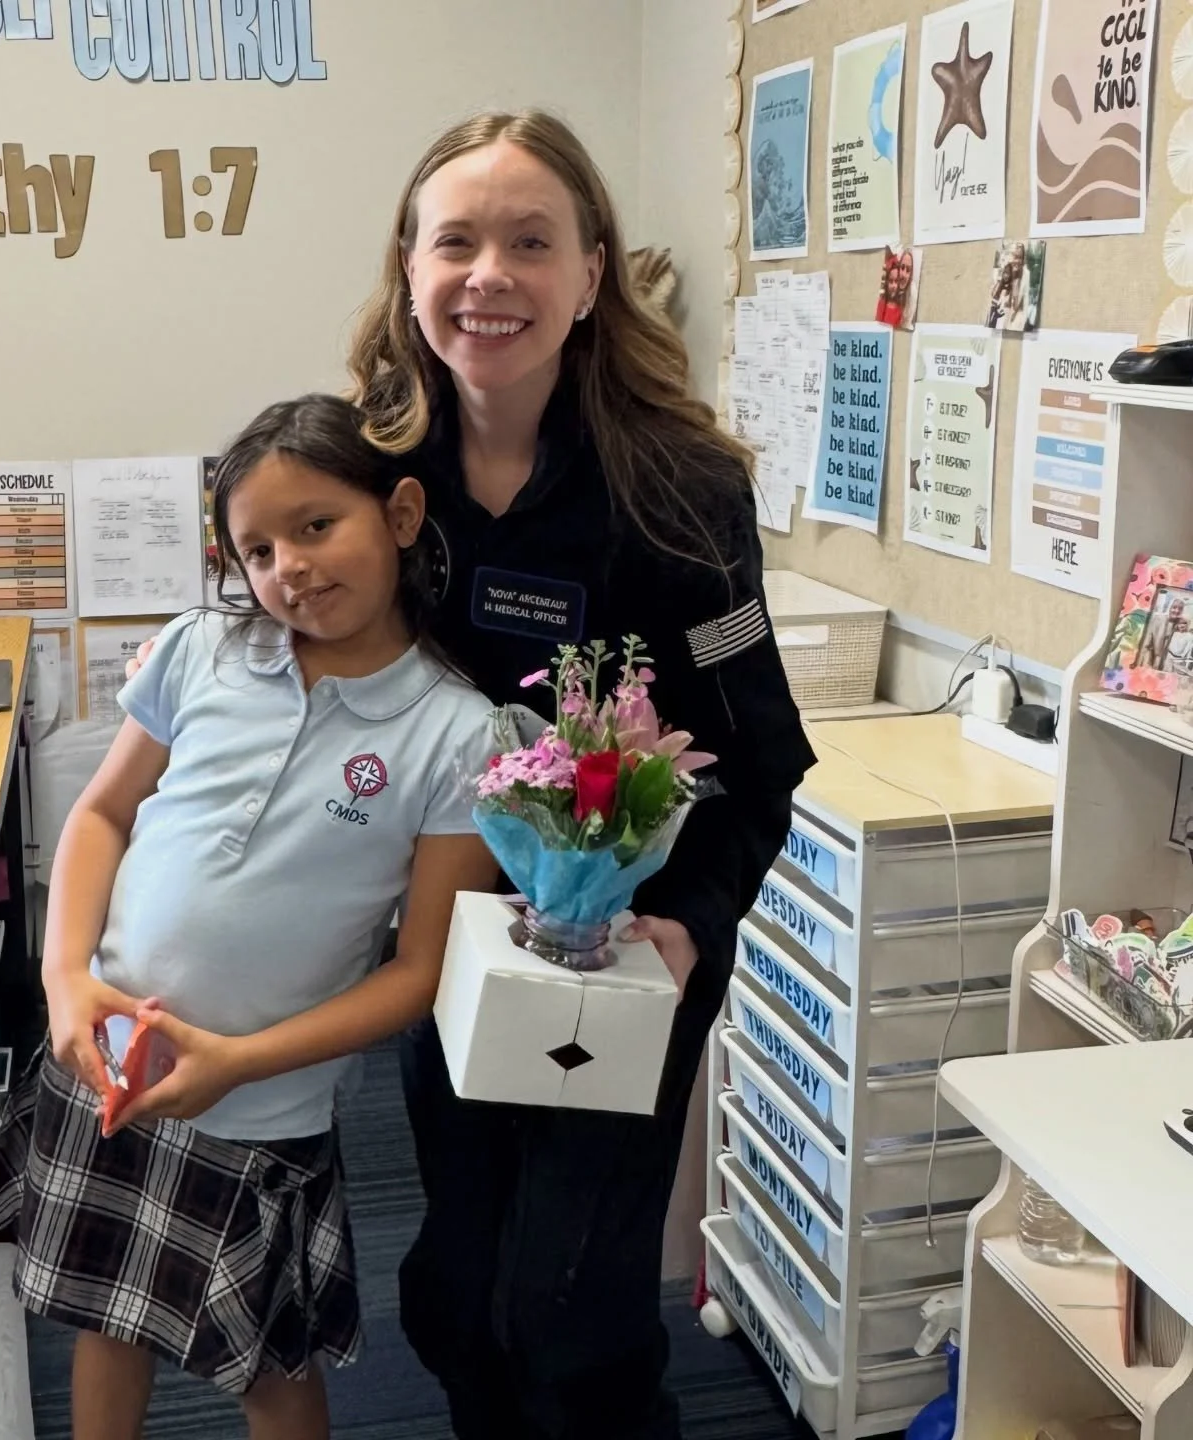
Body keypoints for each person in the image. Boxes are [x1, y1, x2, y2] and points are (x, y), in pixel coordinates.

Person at [129, 109, 815, 1439]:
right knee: (457, 1286)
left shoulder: (681, 491)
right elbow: (289, 619)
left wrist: (692, 920)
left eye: (531, 243)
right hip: (446, 946)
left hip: (627, 957)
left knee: (574, 1307)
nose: (489, 275)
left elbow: (762, 748)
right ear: (409, 269)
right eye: (456, 243)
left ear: (592, 274)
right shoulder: (382, 474)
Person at [0, 394, 501, 1440]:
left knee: (268, 1362)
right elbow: (103, 814)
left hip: (262, 1105)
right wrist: (65, 977)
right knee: (107, 1314)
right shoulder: (202, 649)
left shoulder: (459, 733)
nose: (288, 568)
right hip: (110, 1059)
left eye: (316, 526)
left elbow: (418, 972)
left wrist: (239, 1062)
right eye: (258, 550)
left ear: (401, 514)